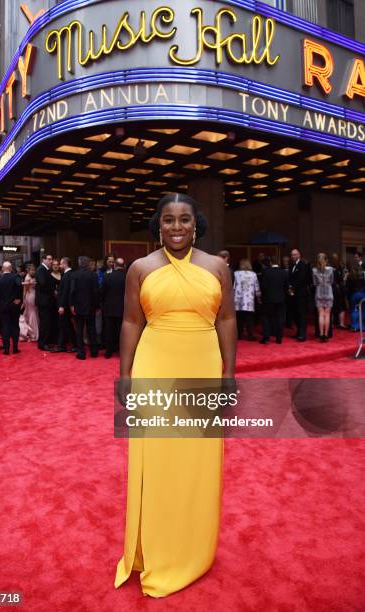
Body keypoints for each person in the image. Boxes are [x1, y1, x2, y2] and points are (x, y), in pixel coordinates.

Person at [115, 193, 237, 598]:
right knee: (159, 457)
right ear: (158, 226)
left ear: (196, 223)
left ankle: (194, 549)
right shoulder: (140, 268)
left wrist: (229, 373)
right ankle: (157, 547)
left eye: (185, 219)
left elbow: (227, 318)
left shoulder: (217, 266)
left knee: (199, 460)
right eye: (168, 220)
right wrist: (125, 374)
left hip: (201, 365)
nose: (177, 227)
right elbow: (132, 321)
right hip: (155, 367)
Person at [70, 255, 99, 360]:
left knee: (79, 330)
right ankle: (94, 352)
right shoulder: (93, 275)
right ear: (87, 263)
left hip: (79, 306)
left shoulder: (75, 275)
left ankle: (81, 353)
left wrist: (72, 305)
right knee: (92, 329)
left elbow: (72, 291)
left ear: (80, 263)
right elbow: (96, 292)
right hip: (91, 306)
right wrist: (97, 306)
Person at [0, 261, 23, 355]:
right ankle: (15, 348)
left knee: (5, 327)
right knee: (15, 326)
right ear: (10, 268)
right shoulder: (16, 277)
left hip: (3, 307)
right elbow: (20, 286)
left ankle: (6, 349)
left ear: (2, 269)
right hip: (14, 306)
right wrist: (18, 299)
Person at [100, 257, 126, 358]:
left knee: (109, 330)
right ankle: (121, 352)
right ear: (123, 266)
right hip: (123, 308)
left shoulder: (106, 276)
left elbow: (101, 292)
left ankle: (108, 352)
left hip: (108, 308)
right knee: (121, 331)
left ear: (114, 265)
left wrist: (102, 304)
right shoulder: (127, 277)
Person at [259, 256, 289, 344]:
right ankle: (279, 338)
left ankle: (266, 337)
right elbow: (286, 287)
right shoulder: (284, 272)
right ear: (278, 262)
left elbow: (263, 286)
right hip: (280, 299)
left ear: (270, 262)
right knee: (280, 318)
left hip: (268, 299)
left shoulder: (266, 272)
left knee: (266, 318)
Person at [51, 257, 76, 353]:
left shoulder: (67, 275)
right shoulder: (68, 274)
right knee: (66, 325)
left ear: (65, 264)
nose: (60, 266)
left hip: (64, 306)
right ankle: (65, 345)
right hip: (66, 305)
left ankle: (66, 346)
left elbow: (65, 292)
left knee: (65, 326)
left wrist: (61, 306)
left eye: (61, 264)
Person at [233, 259, 260, 340]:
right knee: (249, 318)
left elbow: (233, 287)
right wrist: (259, 297)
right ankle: (250, 335)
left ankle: (239, 335)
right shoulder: (253, 274)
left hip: (238, 299)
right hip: (249, 299)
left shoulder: (236, 274)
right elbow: (256, 287)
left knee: (239, 318)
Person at [289, 248, 310, 342]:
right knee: (295, 314)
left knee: (302, 314)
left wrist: (292, 288)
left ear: (299, 255)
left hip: (301, 294)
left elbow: (301, 279)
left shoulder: (303, 265)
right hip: (293, 294)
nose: (293, 256)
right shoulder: (291, 265)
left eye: (295, 254)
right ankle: (298, 332)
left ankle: (302, 334)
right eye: (292, 255)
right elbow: (290, 278)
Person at [34, 254, 55, 350]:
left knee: (46, 322)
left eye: (51, 259)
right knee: (44, 322)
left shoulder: (45, 270)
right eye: (49, 259)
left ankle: (44, 342)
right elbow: (43, 284)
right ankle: (43, 343)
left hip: (45, 300)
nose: (51, 261)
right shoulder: (41, 269)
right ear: (44, 260)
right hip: (43, 301)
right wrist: (53, 290)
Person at [312, 253, 334, 342]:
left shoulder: (314, 270)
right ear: (326, 259)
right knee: (327, 315)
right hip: (328, 291)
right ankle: (326, 334)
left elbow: (314, 283)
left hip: (319, 292)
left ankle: (321, 334)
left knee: (321, 314)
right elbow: (332, 281)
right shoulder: (331, 269)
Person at [20, 264, 39, 342]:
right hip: (30, 296)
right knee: (32, 314)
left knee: (33, 313)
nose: (33, 271)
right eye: (32, 270)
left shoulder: (31, 277)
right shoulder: (27, 278)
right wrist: (24, 300)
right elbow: (25, 290)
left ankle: (32, 332)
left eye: (34, 270)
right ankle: (33, 334)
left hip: (33, 295)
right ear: (28, 270)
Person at [330, 253, 348, 329]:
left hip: (331, 290)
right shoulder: (340, 268)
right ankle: (341, 323)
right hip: (339, 290)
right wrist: (346, 276)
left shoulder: (329, 268)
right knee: (342, 307)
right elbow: (342, 280)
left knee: (332, 307)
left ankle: (331, 324)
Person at [346, 264, 365, 331]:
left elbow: (347, 287)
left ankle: (354, 326)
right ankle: (362, 326)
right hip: (362, 294)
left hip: (354, 295)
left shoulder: (350, 277)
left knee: (354, 310)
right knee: (362, 310)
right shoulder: (363, 277)